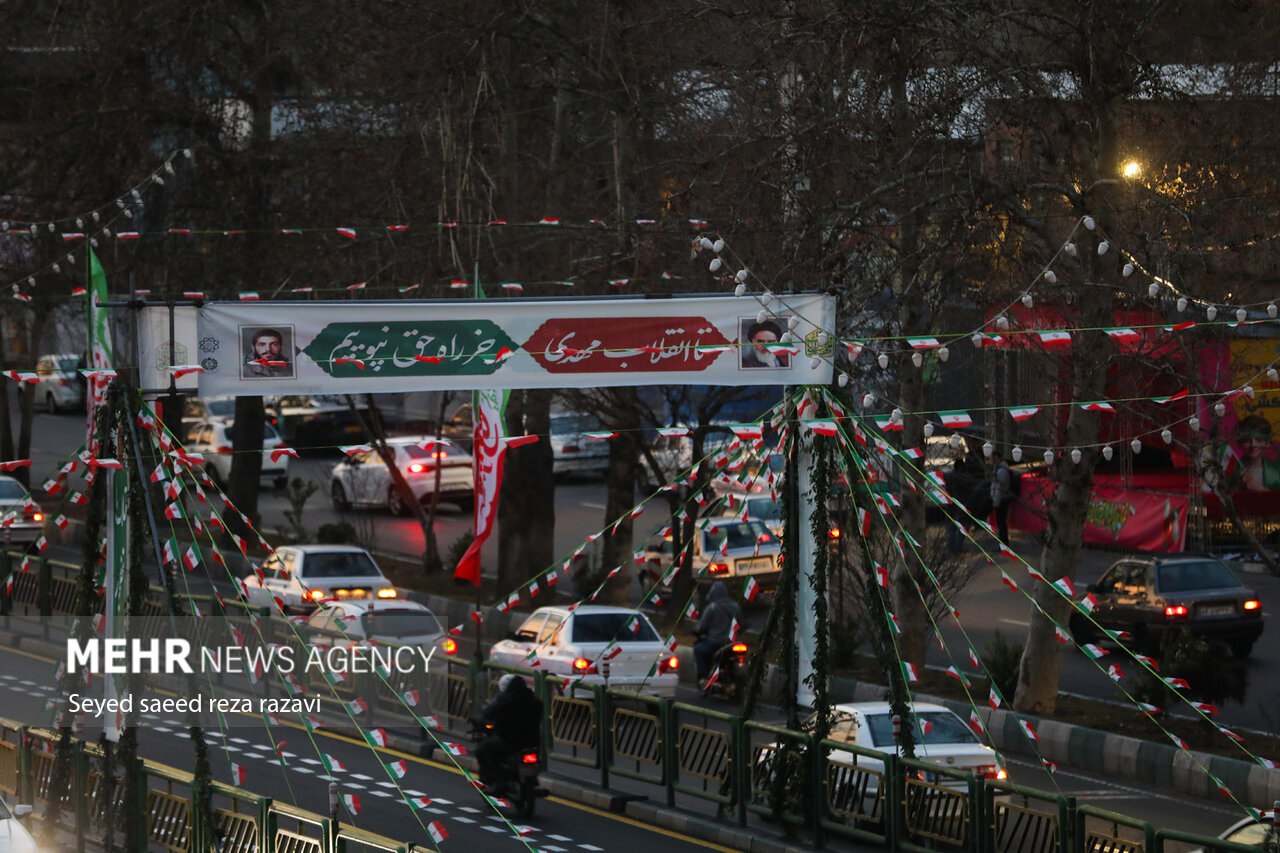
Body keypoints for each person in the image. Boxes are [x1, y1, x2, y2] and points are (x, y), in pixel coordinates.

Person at [476, 673, 543, 793]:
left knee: (484, 748)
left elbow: (488, 713)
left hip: (509, 741)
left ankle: (499, 782)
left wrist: (480, 721)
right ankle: (532, 779)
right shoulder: (534, 700)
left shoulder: (505, 700)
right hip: (532, 742)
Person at [694, 581, 742, 687]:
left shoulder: (712, 607)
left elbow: (702, 626)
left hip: (715, 642)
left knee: (699, 650)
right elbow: (740, 624)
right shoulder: (736, 607)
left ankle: (703, 677)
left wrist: (696, 630)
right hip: (732, 643)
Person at [1221, 415, 1279, 492]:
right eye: (1247, 440)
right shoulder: (1230, 470)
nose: (1253, 445)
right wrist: (1237, 486)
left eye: (1258, 439)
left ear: (1267, 442)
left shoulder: (1276, 472)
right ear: (1240, 442)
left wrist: (1261, 490)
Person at [989, 450, 1013, 546]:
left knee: (1001, 523)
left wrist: (996, 501)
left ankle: (1003, 543)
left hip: (1001, 499)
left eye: (994, 458)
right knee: (1001, 523)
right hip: (999, 499)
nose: (993, 460)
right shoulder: (998, 469)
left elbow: (999, 487)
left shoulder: (1002, 470)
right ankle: (1002, 543)